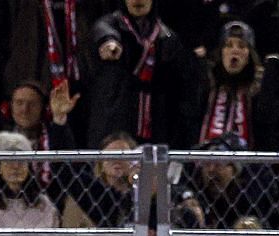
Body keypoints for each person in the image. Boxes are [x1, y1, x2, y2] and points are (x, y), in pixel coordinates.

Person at [84, 0, 199, 147]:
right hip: (113, 124)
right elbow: (102, 30)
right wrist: (108, 41)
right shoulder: (110, 25)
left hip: (153, 126)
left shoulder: (166, 36)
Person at [198, 20, 279, 148]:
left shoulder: (258, 90)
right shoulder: (207, 85)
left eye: (242, 46)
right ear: (221, 52)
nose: (235, 50)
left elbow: (268, 126)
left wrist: (268, 81)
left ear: (249, 55)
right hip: (205, 162)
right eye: (229, 45)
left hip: (247, 165)